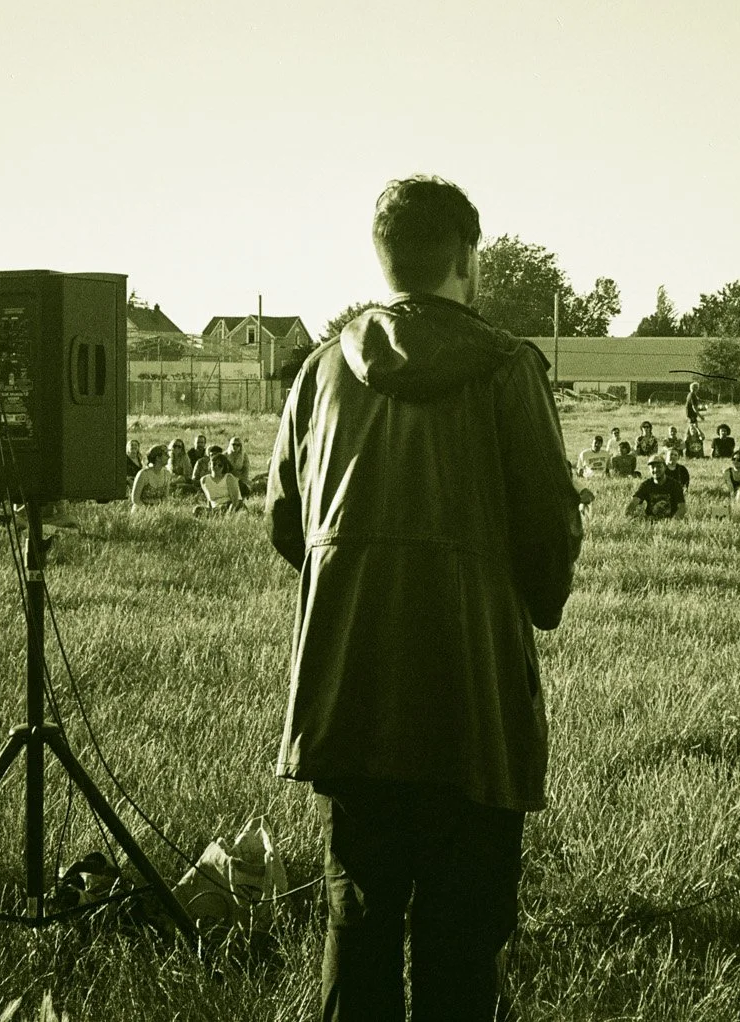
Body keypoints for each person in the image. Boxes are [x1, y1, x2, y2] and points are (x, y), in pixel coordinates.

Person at [264, 176, 580, 1019]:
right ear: (468, 258)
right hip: (472, 695)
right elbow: (551, 533)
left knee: (356, 925)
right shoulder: (511, 368)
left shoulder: (321, 372)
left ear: (385, 257)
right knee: (463, 942)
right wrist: (523, 606)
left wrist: (357, 589)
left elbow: (285, 525)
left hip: (351, 688)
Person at [626, 452, 686, 519]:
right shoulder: (646, 485)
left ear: (665, 467)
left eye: (659, 466)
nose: (655, 469)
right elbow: (634, 503)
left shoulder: (675, 485)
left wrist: (671, 523)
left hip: (670, 520)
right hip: (650, 521)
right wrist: (629, 516)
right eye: (652, 467)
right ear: (649, 469)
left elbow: (682, 508)